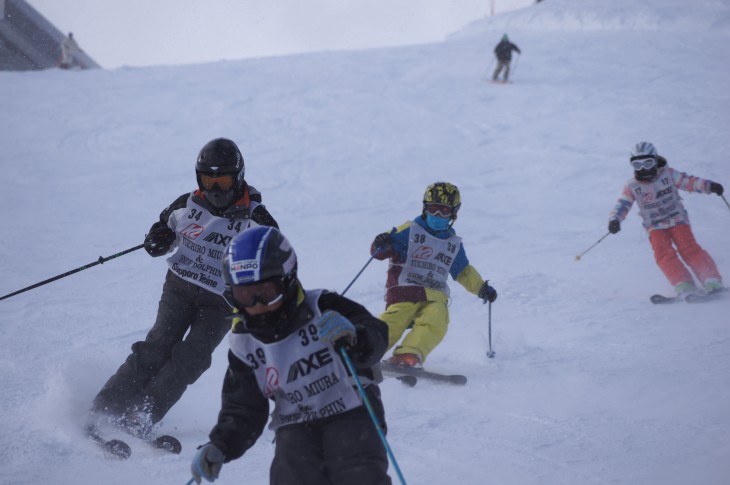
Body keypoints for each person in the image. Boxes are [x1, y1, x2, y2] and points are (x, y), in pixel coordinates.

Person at [90, 138, 279, 437]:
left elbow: (275, 263)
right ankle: (106, 407)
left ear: (238, 176)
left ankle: (142, 414)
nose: (215, 189)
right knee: (157, 347)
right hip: (180, 287)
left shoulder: (256, 220)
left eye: (223, 180)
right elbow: (162, 229)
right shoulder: (187, 204)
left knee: (191, 359)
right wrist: (158, 240)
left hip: (220, 302)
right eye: (208, 180)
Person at [190, 226, 391, 485]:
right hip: (295, 422)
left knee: (355, 469)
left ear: (287, 279)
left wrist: (356, 336)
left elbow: (378, 334)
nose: (257, 304)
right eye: (245, 295)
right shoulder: (244, 344)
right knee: (291, 475)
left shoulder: (323, 306)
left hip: (351, 408)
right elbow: (244, 407)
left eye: (266, 292)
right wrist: (222, 444)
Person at [369, 182, 497, 368]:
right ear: (425, 208)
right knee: (393, 321)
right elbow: (379, 252)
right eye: (433, 209)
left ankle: (408, 354)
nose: (437, 215)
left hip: (434, 295)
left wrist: (481, 288)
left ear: (453, 214)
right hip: (405, 290)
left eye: (444, 211)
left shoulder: (452, 243)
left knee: (437, 318)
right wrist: (381, 243)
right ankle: (366, 349)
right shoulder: (410, 230)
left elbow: (463, 271)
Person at [608, 141, 725, 297]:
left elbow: (688, 181)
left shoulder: (668, 175)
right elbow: (623, 203)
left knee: (689, 249)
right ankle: (683, 283)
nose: (643, 169)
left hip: (677, 220)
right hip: (654, 226)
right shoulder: (632, 185)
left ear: (655, 160)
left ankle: (710, 278)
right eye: (637, 165)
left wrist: (709, 186)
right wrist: (615, 219)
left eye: (648, 163)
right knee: (663, 254)